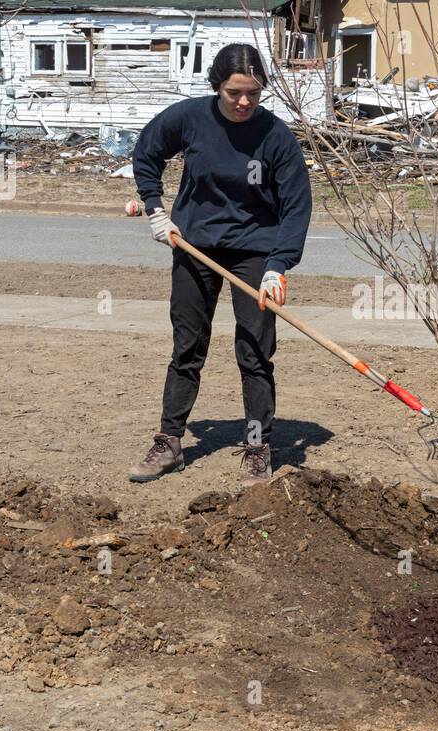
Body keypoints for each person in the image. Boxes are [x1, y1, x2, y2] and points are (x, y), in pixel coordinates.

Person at [127, 43, 312, 485]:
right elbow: (147, 153)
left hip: (254, 252)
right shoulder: (189, 118)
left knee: (254, 351)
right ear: (217, 87)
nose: (245, 101)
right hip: (195, 247)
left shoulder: (275, 136)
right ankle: (169, 442)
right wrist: (155, 210)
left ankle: (257, 446)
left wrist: (277, 266)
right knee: (187, 346)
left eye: (253, 92)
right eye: (234, 92)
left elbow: (296, 206)